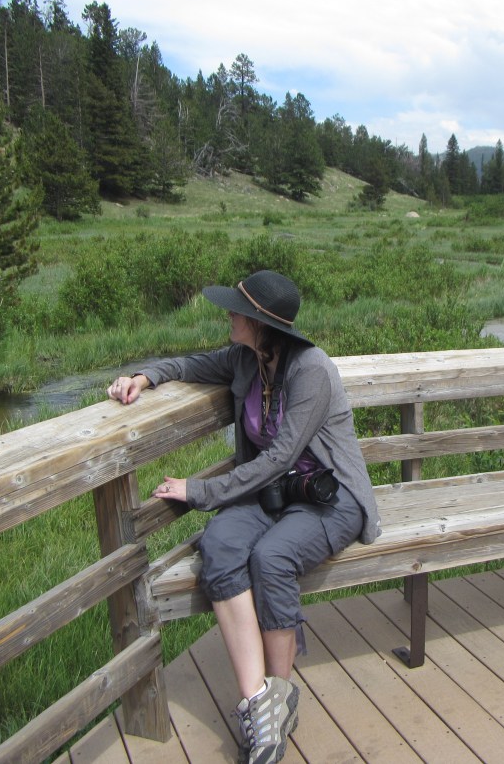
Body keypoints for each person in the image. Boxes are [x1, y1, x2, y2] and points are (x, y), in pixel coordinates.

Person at [107, 270, 379, 764]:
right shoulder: (245, 360)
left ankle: (278, 696)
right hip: (269, 495)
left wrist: (200, 491)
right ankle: (260, 704)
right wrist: (144, 376)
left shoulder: (311, 369)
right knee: (221, 547)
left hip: (328, 499)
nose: (228, 314)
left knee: (272, 557)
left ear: (260, 322)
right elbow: (190, 363)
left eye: (237, 310)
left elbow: (278, 457)